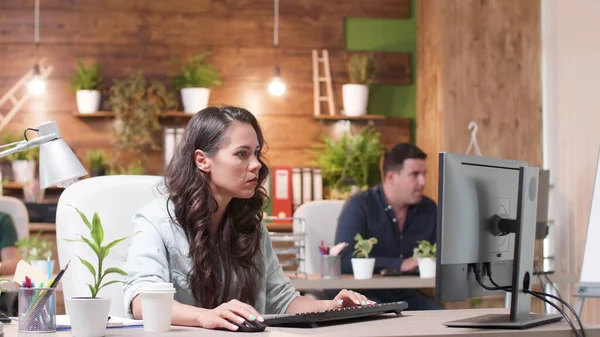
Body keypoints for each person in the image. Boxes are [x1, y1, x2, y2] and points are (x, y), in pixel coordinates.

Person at [123, 106, 373, 331]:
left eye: (256, 153)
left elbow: (282, 300)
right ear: (202, 160)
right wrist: (205, 316)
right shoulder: (155, 220)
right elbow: (142, 302)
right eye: (242, 154)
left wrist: (334, 307)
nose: (256, 165)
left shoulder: (250, 223)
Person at [332, 143, 443, 310]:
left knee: (442, 320)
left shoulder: (429, 209)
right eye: (415, 175)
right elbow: (343, 260)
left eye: (424, 174)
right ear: (391, 177)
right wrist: (400, 264)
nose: (423, 182)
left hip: (407, 297)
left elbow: (440, 255)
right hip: (364, 298)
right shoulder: (360, 205)